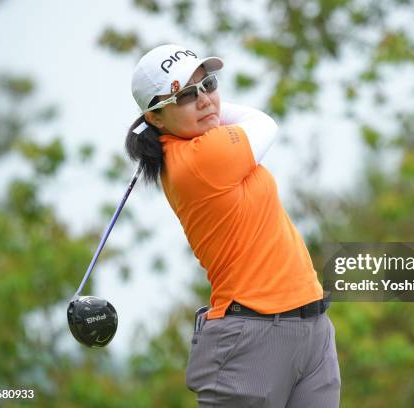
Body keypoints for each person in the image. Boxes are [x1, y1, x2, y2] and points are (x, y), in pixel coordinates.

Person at [126, 44, 341, 407]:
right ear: (156, 118)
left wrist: (196, 103)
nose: (205, 100)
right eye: (185, 96)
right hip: (252, 336)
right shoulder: (199, 158)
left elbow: (239, 119)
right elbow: (264, 122)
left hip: (312, 326)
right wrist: (212, 108)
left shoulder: (201, 145)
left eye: (208, 84)